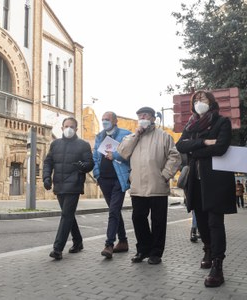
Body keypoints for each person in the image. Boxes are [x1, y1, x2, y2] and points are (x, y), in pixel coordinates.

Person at [176, 90, 237, 288]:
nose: (199, 102)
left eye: (203, 99)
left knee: (215, 222)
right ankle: (208, 250)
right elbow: (180, 146)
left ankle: (218, 266)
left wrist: (194, 148)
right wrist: (203, 142)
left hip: (216, 180)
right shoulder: (191, 124)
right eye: (196, 100)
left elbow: (221, 147)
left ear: (211, 102)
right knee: (201, 221)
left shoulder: (222, 122)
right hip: (196, 179)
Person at [117, 106, 181, 265]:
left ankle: (156, 253)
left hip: (157, 186)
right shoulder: (131, 137)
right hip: (138, 187)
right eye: (140, 116)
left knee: (158, 221)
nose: (142, 118)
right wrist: (137, 134)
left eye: (146, 115)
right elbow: (123, 152)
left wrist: (165, 175)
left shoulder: (164, 136)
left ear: (153, 118)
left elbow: (175, 157)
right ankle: (143, 249)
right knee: (138, 218)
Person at [43, 117, 94, 260]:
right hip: (59, 184)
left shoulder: (83, 145)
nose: (69, 129)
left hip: (74, 185)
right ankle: (78, 242)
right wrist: (46, 178)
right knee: (68, 215)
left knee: (66, 215)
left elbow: (90, 163)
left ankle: (57, 249)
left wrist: (83, 166)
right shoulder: (55, 144)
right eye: (66, 126)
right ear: (62, 128)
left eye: (72, 126)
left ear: (76, 129)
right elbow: (48, 162)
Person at [92, 111, 131, 259]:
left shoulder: (126, 135)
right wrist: (97, 175)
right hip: (104, 179)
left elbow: (130, 154)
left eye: (107, 119)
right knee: (114, 210)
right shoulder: (100, 136)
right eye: (103, 120)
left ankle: (109, 244)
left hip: (118, 179)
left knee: (113, 210)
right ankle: (123, 241)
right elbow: (95, 156)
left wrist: (116, 156)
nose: (104, 122)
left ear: (115, 120)